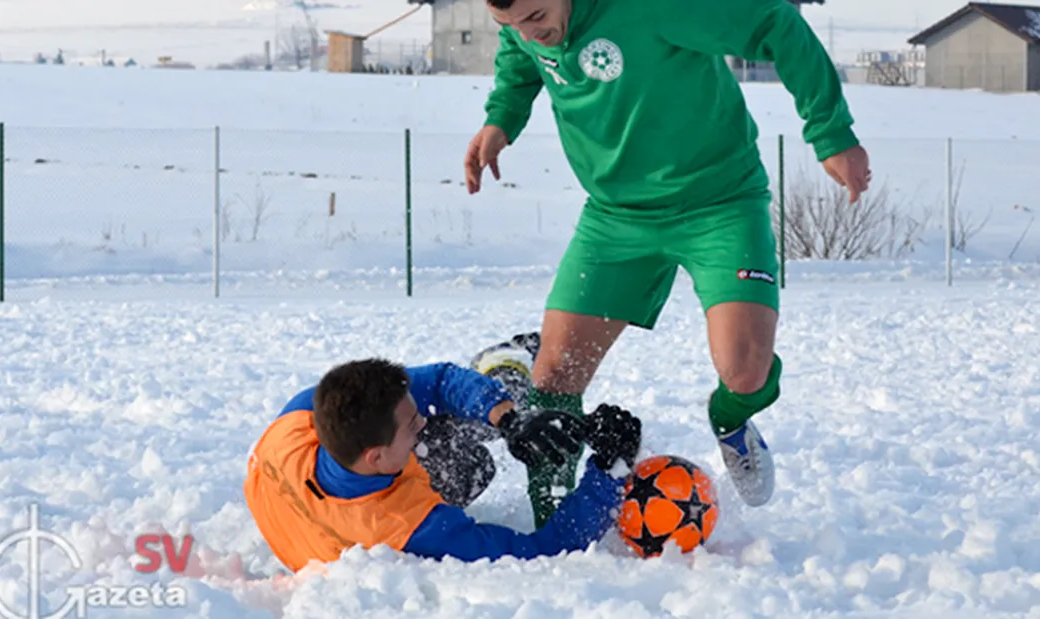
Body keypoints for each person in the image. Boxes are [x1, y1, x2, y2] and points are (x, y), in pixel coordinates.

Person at [463, 0, 872, 526]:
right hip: (615, 219)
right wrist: (501, 119)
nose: (528, 33)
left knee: (744, 370)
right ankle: (556, 524)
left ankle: (730, 419)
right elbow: (518, 65)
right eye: (511, 24)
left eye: (536, 16)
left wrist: (831, 132)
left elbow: (776, 22)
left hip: (719, 204)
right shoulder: (525, 26)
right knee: (554, 379)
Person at [242, 343, 641, 571]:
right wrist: (609, 470)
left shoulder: (298, 421)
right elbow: (543, 552)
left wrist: (509, 419)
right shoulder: (411, 528)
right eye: (413, 425)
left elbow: (440, 380)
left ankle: (503, 374)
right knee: (472, 465)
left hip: (333, 489)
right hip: (376, 512)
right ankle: (507, 374)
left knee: (465, 407)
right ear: (377, 457)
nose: (423, 424)